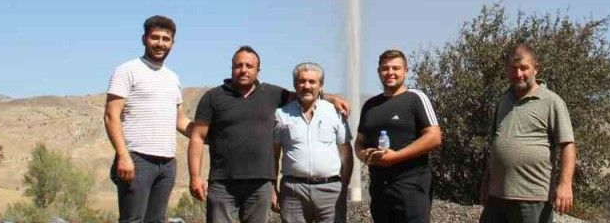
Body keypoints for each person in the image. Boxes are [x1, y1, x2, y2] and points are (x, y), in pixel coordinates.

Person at [189, 47, 349, 223]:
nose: (243, 70)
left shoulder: (273, 94)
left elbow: (304, 93)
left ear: (258, 70)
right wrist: (195, 177)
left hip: (260, 185)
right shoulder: (213, 97)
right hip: (222, 183)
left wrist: (331, 98)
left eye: (249, 66)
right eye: (238, 65)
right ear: (232, 68)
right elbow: (198, 137)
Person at [105, 15, 192, 223]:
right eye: (155, 37)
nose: (160, 43)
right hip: (137, 158)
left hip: (167, 163)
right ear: (144, 39)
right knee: (132, 220)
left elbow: (180, 121)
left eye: (166, 39)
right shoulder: (127, 71)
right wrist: (123, 155)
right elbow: (111, 115)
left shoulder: (173, 78)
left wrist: (210, 133)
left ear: (172, 43)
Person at [478, 44, 576, 223]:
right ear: (507, 70)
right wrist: (486, 181)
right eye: (513, 68)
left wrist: (565, 185)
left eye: (524, 68)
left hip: (533, 197)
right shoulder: (502, 101)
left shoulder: (552, 102)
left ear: (536, 68)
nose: (518, 74)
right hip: (497, 197)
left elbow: (567, 145)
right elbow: (496, 144)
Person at [355, 49, 442, 223]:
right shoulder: (370, 105)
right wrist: (364, 156)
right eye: (385, 68)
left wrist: (396, 157)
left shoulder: (416, 98)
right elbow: (359, 142)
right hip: (379, 187)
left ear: (406, 71)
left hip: (411, 185)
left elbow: (434, 137)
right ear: (379, 71)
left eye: (396, 68)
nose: (390, 73)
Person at [273, 62, 352, 223]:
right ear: (295, 84)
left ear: (320, 85)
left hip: (330, 190)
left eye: (312, 82)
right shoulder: (281, 114)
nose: (307, 86)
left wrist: (343, 186)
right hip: (293, 191)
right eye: (302, 81)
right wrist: (273, 188)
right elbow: (273, 155)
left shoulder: (335, 112)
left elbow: (346, 152)